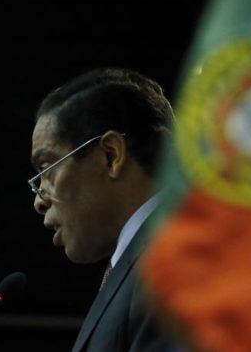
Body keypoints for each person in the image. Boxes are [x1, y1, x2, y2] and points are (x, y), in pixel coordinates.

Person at [29, 68, 175, 352]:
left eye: (47, 169)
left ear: (111, 155)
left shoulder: (171, 267)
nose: (39, 201)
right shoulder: (143, 265)